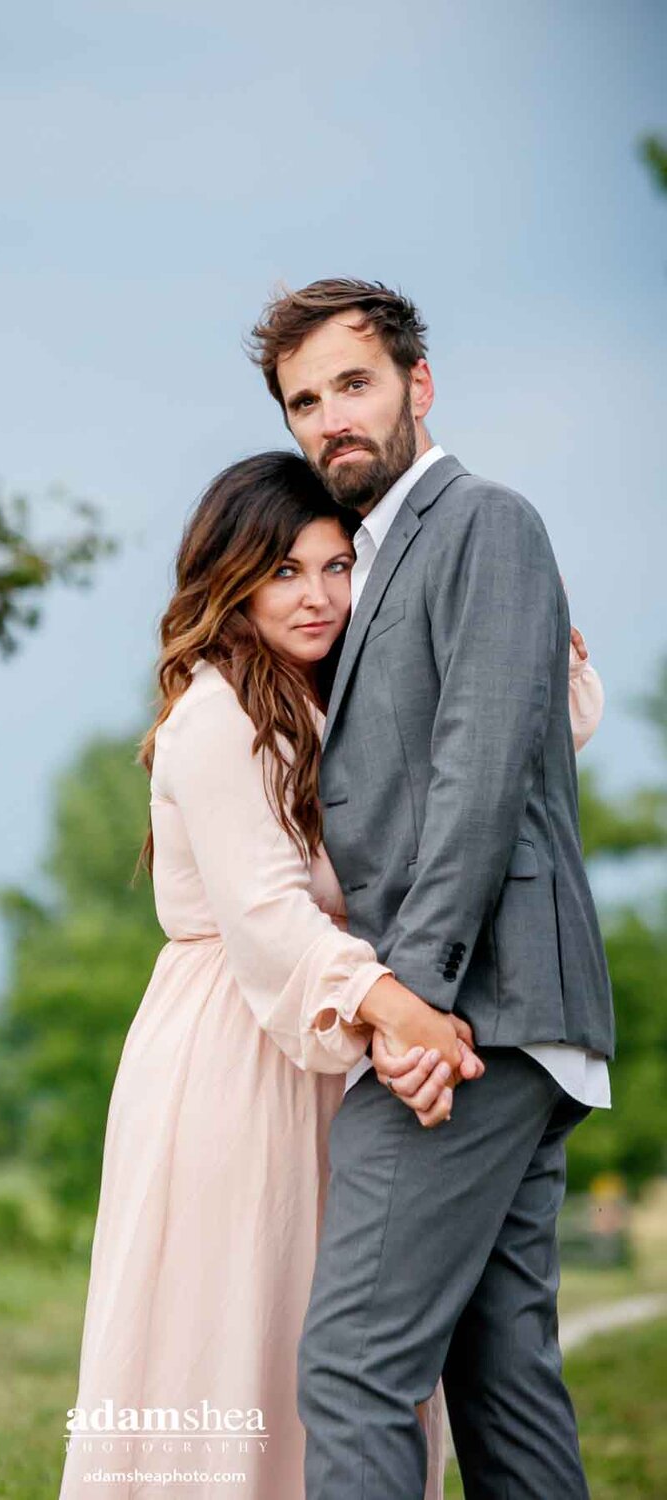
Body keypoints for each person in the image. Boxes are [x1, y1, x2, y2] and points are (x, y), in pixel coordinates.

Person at [57, 444, 604, 1499]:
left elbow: (463, 784)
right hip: (237, 1050)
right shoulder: (216, 713)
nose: (315, 597)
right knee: (234, 1333)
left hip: (338, 1046)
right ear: (229, 580)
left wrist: (545, 679)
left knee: (342, 1338)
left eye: (333, 566)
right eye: (283, 572)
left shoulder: (333, 700)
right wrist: (406, 1014)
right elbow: (267, 911)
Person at [248, 277, 614, 1500]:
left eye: (352, 384)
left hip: (474, 1022)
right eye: (304, 402)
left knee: (352, 1368)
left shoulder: (484, 523)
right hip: (488, 1018)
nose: (329, 421)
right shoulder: (370, 563)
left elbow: (476, 778)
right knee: (504, 1393)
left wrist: (414, 1013)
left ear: (418, 383)